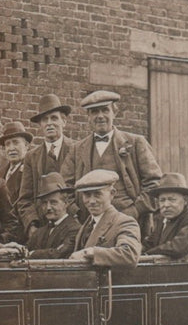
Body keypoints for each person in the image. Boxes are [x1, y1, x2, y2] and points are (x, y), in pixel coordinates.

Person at [72, 90, 163, 233]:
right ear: (88, 117)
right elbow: (65, 188)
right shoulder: (77, 149)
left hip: (130, 221)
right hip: (90, 223)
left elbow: (155, 184)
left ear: (115, 112)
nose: (100, 116)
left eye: (105, 110)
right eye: (95, 112)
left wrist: (135, 210)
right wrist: (77, 215)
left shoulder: (135, 143)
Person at [17, 94, 77, 239]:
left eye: (54, 118)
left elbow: (81, 192)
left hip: (72, 225)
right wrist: (32, 225)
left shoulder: (77, 149)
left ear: (64, 121)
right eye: (45, 120)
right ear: (40, 125)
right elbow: (25, 198)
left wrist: (74, 219)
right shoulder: (32, 157)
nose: (49, 123)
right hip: (42, 228)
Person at [69, 169, 142, 268]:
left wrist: (91, 252)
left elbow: (130, 254)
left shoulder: (124, 222)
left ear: (112, 193)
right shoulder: (87, 224)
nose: (92, 201)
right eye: (87, 195)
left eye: (97, 194)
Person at [26, 172, 80, 259]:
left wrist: (32, 254)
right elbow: (25, 251)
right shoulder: (38, 233)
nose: (48, 207)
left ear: (66, 203)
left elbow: (59, 254)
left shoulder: (75, 230)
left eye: (53, 202)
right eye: (44, 203)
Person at [144, 173, 188, 258]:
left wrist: (148, 253)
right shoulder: (161, 219)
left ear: (185, 200)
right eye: (162, 200)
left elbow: (178, 248)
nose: (166, 205)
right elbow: (150, 243)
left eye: (172, 200)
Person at [0, 121, 32, 205]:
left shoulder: (31, 170)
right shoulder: (0, 173)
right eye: (7, 144)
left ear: (26, 145)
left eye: (16, 142)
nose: (11, 148)